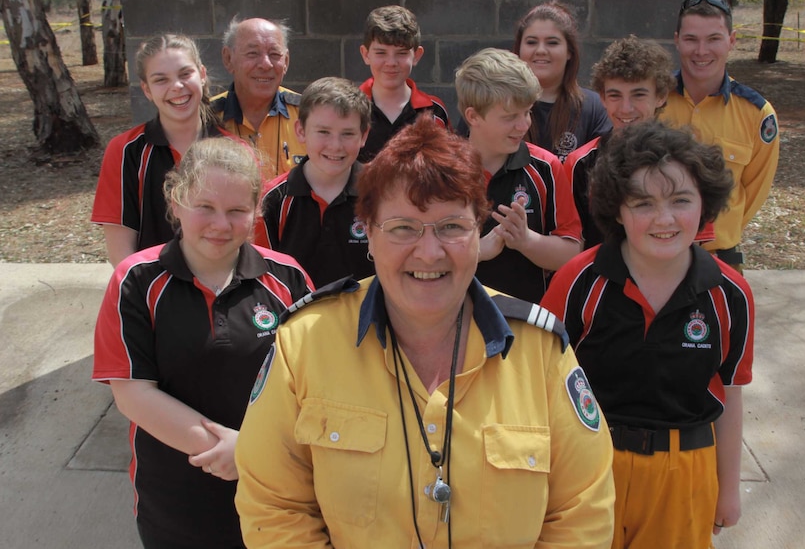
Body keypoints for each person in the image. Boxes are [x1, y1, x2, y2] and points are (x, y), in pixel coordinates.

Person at [234, 115, 615, 548]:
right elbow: (272, 504)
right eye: (403, 228)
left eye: (452, 227)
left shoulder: (540, 352)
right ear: (370, 237)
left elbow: (583, 511)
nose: (429, 252)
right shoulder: (305, 342)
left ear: (479, 231)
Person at [541, 120, 755, 549]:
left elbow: (729, 393)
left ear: (705, 206)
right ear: (617, 210)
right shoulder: (579, 281)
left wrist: (728, 488)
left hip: (684, 471)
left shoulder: (729, 294)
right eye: (642, 203)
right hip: (588, 465)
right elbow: (538, 382)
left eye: (681, 200)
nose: (664, 219)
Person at [92, 137, 314, 549]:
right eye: (205, 208)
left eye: (236, 211)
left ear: (255, 214)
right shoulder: (137, 280)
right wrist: (234, 451)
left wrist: (252, 453)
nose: (220, 224)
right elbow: (134, 394)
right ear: (176, 202)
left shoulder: (288, 278)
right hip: (177, 500)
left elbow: (311, 384)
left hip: (279, 492)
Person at [91, 33, 238, 267]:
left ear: (201, 74)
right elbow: (121, 250)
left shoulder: (236, 151)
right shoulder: (125, 151)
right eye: (161, 80)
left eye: (184, 74)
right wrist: (144, 293)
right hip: (152, 291)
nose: (177, 87)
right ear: (147, 89)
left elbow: (245, 235)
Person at [662, 0, 780, 272]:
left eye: (714, 39)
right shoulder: (653, 101)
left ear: (732, 41)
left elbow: (753, 193)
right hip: (655, 257)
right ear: (677, 40)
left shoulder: (757, 115)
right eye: (691, 39)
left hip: (720, 262)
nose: (701, 51)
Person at [456, 47, 582, 303]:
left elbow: (572, 252)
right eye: (510, 117)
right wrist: (476, 252)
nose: (524, 125)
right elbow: (418, 250)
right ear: (473, 116)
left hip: (526, 322)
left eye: (527, 112)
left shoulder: (545, 167)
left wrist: (526, 241)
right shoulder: (439, 168)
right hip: (452, 319)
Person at [254, 76, 375, 286]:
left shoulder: (382, 194)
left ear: (364, 136)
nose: (335, 145)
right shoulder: (272, 200)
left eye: (347, 134)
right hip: (295, 317)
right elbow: (263, 276)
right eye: (323, 132)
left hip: (364, 316)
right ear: (300, 131)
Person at [566, 35, 677, 249]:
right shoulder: (578, 164)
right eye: (615, 95)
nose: (626, 108)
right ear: (603, 98)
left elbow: (698, 242)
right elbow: (572, 243)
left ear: (661, 96)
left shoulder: (685, 160)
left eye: (638, 95)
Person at [514, 0, 612, 162]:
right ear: (519, 49)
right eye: (531, 42)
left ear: (569, 52)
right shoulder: (495, 102)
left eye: (552, 43)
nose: (540, 50)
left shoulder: (595, 107)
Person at [212, 17, 306, 180]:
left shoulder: (308, 114)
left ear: (286, 62)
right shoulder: (206, 118)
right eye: (253, 54)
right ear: (228, 59)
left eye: (274, 54)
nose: (265, 64)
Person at [357, 5, 449, 163]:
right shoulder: (348, 108)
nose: (391, 62)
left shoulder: (434, 111)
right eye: (381, 53)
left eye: (401, 53)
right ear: (366, 54)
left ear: (417, 55)